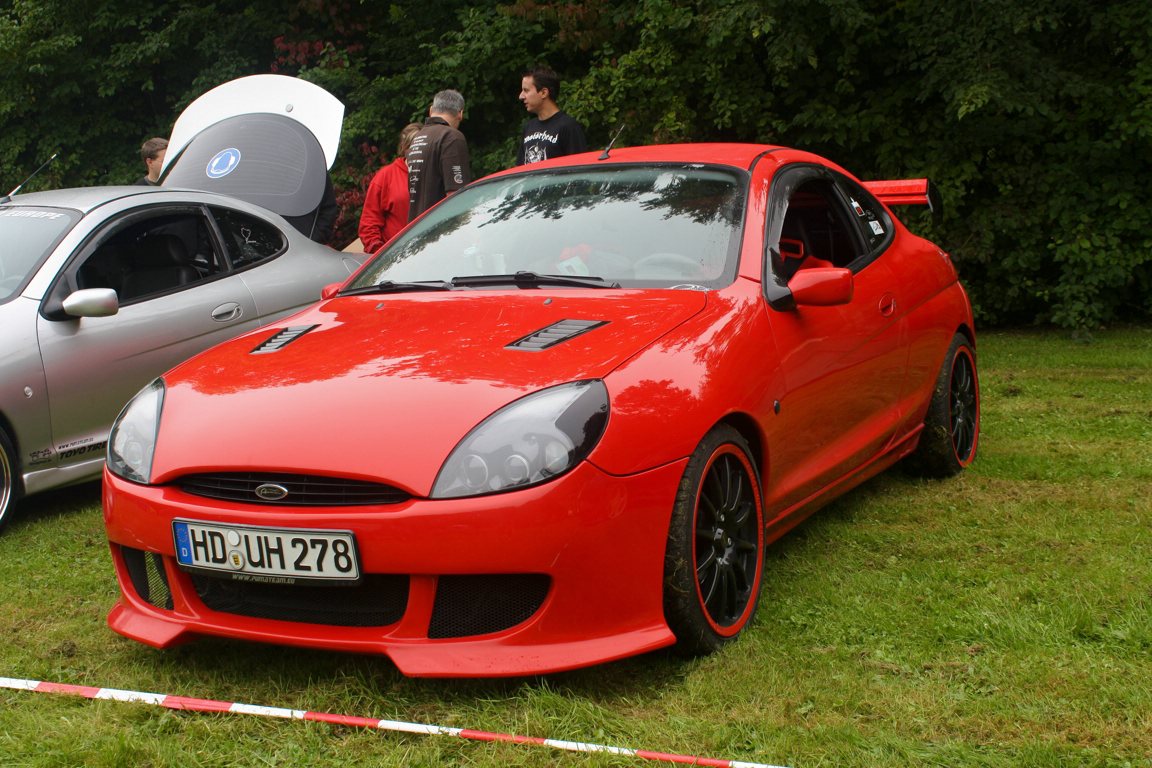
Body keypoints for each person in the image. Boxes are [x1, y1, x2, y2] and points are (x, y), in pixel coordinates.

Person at [406, 90, 471, 221]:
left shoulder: (418, 138)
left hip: (417, 226)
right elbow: (456, 194)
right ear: (460, 114)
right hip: (440, 227)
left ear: (431, 110)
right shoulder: (451, 137)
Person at [359, 123, 421, 253]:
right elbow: (369, 224)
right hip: (397, 256)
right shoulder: (386, 176)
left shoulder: (436, 173)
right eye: (414, 147)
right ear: (405, 148)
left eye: (423, 147)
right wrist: (381, 254)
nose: (419, 152)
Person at [516, 67, 586, 165]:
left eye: (526, 90)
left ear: (544, 93)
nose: (521, 96)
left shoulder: (568, 127)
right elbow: (520, 169)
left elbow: (579, 168)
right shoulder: (528, 127)